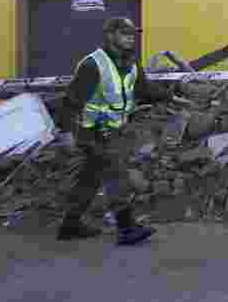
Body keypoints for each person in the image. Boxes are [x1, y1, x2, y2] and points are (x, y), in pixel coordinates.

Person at [55, 17, 171, 245]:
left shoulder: (131, 63)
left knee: (90, 178)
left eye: (132, 34)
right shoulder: (93, 65)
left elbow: (143, 90)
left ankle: (70, 225)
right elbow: (71, 101)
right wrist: (65, 132)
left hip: (114, 129)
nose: (130, 38)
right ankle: (126, 228)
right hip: (92, 131)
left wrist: (168, 95)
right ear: (110, 35)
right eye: (124, 33)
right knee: (116, 174)